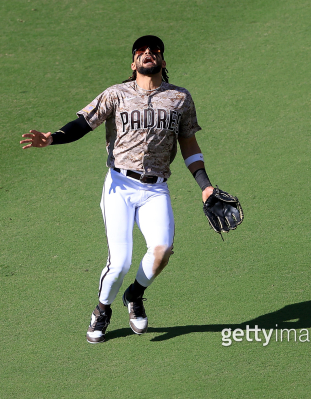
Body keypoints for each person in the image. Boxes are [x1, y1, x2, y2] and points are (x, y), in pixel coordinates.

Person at [20, 35, 214, 344]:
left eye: (155, 50)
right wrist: (52, 138)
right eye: (141, 51)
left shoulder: (180, 98)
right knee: (120, 261)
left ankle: (134, 296)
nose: (148, 53)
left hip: (156, 188)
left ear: (163, 61)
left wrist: (205, 186)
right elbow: (82, 124)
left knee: (162, 251)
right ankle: (101, 310)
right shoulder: (117, 94)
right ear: (133, 62)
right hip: (120, 186)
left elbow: (189, 142)